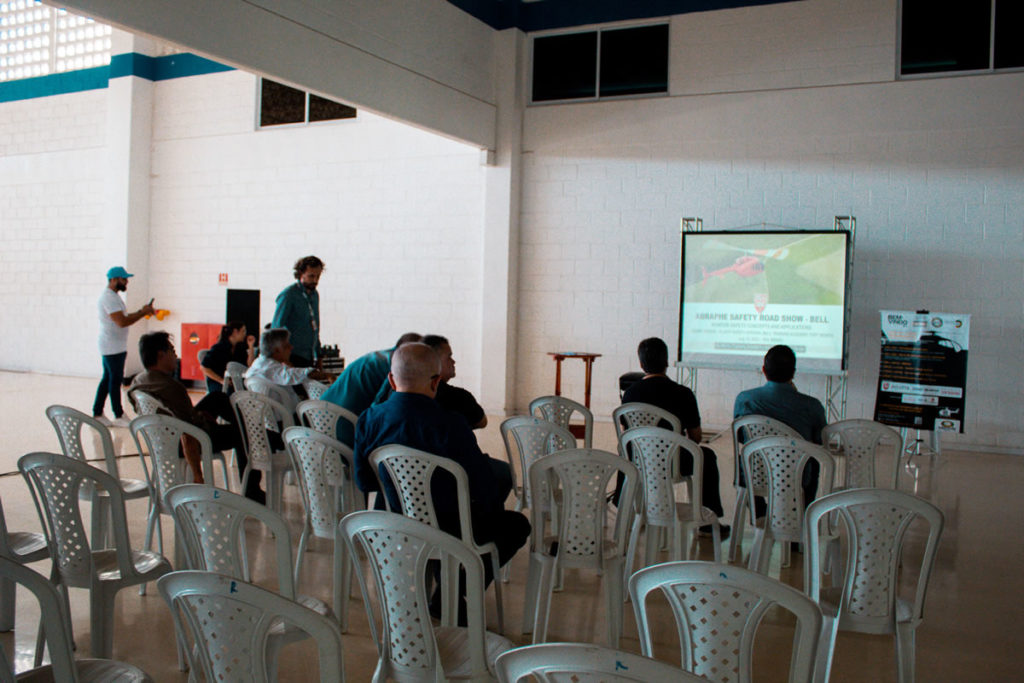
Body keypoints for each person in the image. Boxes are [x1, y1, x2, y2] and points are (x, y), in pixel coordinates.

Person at [352, 343, 529, 591]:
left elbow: (365, 482)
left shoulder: (369, 420)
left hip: (396, 526)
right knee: (517, 525)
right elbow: (483, 488)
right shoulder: (452, 424)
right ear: (435, 382)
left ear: (391, 380)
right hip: (450, 532)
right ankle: (455, 591)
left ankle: (443, 589)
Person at [127, 332, 263, 503]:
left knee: (217, 398)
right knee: (241, 433)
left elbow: (176, 415)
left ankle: (254, 429)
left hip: (162, 437)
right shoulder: (172, 387)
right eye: (172, 351)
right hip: (185, 439)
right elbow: (188, 435)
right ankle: (252, 490)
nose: (176, 356)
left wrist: (199, 416)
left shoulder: (138, 381)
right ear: (161, 355)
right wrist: (198, 475)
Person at [620, 337, 728, 537]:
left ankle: (627, 511)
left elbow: (627, 434)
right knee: (707, 456)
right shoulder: (683, 393)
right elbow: (695, 437)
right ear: (667, 362)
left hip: (640, 460)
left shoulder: (629, 395)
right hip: (673, 462)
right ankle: (708, 522)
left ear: (641, 364)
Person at [733, 344, 827, 508]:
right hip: (796, 476)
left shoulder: (745, 399)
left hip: (756, 474)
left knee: (746, 456)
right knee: (813, 460)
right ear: (793, 372)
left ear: (764, 370)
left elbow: (741, 437)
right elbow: (820, 442)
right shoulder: (812, 406)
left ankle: (759, 513)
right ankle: (804, 511)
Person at [320, 332, 421, 445]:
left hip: (318, 419)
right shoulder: (394, 368)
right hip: (343, 429)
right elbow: (382, 412)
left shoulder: (379, 357)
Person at [93, 266, 154, 428]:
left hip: (115, 345)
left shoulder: (114, 297)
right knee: (115, 379)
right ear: (113, 279)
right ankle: (118, 414)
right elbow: (122, 322)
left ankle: (97, 413)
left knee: (108, 379)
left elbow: (124, 317)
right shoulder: (108, 298)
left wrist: (142, 311)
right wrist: (143, 313)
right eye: (123, 279)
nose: (126, 282)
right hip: (111, 346)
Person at [244, 328, 334, 412]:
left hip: (268, 415)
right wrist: (326, 375)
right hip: (283, 417)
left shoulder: (259, 362)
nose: (291, 347)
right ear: (277, 350)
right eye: (286, 346)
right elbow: (295, 374)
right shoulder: (270, 368)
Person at [271, 255, 324, 368]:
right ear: (301, 274)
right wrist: (282, 359)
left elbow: (315, 328)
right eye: (311, 276)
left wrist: (319, 355)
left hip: (309, 355)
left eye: (318, 276)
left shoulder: (315, 295)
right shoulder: (288, 295)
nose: (315, 280)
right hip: (292, 356)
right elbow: (276, 328)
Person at [200, 321, 255, 393]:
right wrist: (221, 380)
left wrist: (251, 346)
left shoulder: (240, 348)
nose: (245, 334)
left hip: (235, 381)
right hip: (219, 382)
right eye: (243, 331)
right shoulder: (218, 348)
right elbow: (204, 367)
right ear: (235, 332)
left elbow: (250, 365)